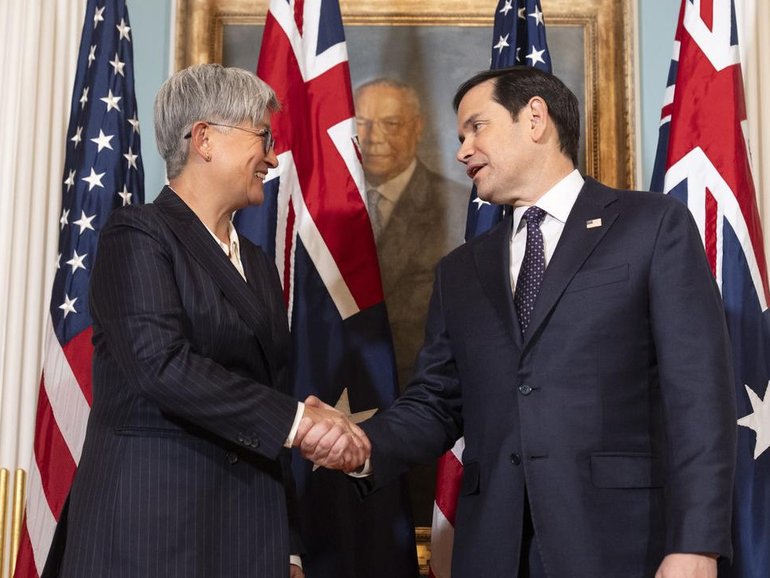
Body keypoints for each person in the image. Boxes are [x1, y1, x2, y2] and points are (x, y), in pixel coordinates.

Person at [304, 67, 737, 577]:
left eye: (476, 127)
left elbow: (699, 395)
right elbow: (437, 405)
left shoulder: (651, 226)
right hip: (495, 549)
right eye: (461, 136)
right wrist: (363, 443)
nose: (462, 150)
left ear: (535, 118)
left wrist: (696, 544)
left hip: (624, 544)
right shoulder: (460, 270)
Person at [44, 64, 367, 578]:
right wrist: (300, 422)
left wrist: (286, 543)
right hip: (150, 533)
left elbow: (265, 394)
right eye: (262, 137)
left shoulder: (258, 263)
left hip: (245, 534)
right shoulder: (139, 235)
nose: (272, 155)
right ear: (204, 139)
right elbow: (161, 365)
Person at [354, 78, 468, 527]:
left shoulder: (460, 207)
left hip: (430, 429)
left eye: (391, 123)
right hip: (341, 419)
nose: (374, 137)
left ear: (418, 128)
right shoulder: (315, 214)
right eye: (362, 123)